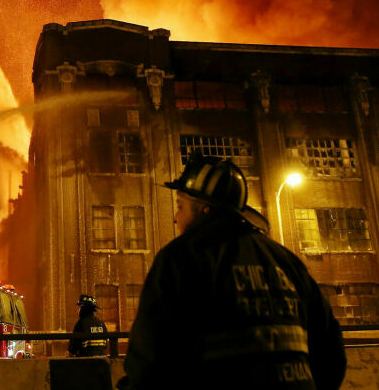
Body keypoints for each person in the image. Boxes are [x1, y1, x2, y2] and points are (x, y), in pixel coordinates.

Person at [119, 152, 346, 390]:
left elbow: (150, 360)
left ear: (204, 210)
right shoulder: (286, 261)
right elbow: (331, 351)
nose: (176, 217)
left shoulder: (181, 259)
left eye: (180, 206)